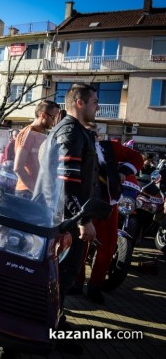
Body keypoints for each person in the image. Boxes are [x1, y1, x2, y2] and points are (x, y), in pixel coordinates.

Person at [33, 83, 100, 353]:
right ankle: (49, 330)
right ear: (80, 103)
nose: (98, 106)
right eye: (95, 101)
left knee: (61, 277)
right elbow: (67, 183)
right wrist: (83, 221)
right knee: (59, 276)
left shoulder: (77, 132)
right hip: (63, 222)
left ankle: (56, 322)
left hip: (63, 220)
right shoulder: (71, 132)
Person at [73, 124, 143, 303]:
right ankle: (77, 282)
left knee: (108, 246)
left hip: (107, 203)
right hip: (82, 204)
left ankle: (95, 286)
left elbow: (136, 157)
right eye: (87, 132)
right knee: (80, 245)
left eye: (93, 133)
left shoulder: (110, 147)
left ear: (98, 135)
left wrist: (123, 171)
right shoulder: (74, 146)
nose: (91, 136)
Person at [13, 100, 60, 198]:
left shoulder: (41, 134)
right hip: (26, 192)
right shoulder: (27, 134)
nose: (55, 121)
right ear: (43, 115)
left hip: (38, 191)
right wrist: (36, 191)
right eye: (53, 117)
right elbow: (18, 167)